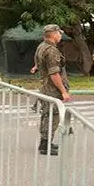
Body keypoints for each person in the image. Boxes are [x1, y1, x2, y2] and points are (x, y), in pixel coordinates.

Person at [36, 24, 71, 156]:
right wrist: (63, 91)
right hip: (52, 89)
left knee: (46, 115)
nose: (60, 36)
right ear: (54, 34)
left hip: (45, 86)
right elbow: (54, 74)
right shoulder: (51, 50)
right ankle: (46, 145)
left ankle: (44, 142)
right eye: (59, 33)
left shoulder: (41, 47)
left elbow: (38, 64)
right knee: (52, 116)